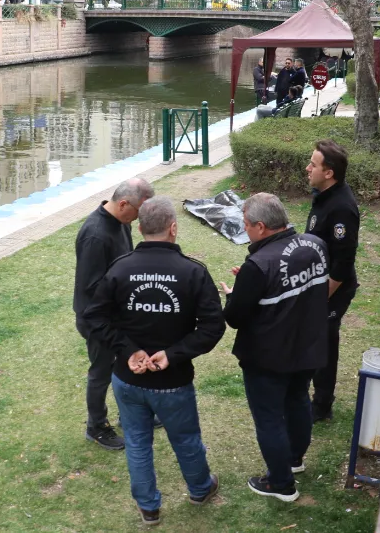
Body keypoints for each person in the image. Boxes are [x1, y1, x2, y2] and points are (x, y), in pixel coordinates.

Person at [83, 197, 225, 526]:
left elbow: (95, 318)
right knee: (185, 438)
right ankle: (200, 488)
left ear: (140, 228)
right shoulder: (193, 272)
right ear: (173, 228)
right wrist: (172, 355)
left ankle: (149, 507)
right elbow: (212, 327)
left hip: (128, 378)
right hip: (171, 381)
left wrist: (128, 350)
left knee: (136, 441)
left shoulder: (119, 269)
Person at [219, 193, 329, 502]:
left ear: (261, 226)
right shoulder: (315, 245)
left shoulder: (258, 263)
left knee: (269, 418)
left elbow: (235, 317)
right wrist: (252, 285)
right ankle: (294, 459)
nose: (245, 230)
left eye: (246, 225)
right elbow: (293, 283)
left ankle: (280, 484)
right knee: (297, 400)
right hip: (308, 346)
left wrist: (234, 293)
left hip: (268, 356)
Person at [74, 178, 155, 450]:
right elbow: (91, 287)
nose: (141, 220)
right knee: (101, 372)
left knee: (124, 364)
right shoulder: (95, 234)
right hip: (97, 319)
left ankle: (129, 414)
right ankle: (95, 426)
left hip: (119, 314)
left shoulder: (123, 222)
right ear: (123, 204)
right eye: (139, 212)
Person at [304, 140, 360, 422]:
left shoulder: (341, 209)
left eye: (313, 165)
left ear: (329, 173)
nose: (308, 168)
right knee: (312, 337)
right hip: (316, 285)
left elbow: (343, 262)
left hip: (333, 289)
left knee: (325, 341)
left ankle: (322, 404)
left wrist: (322, 295)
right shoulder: (323, 196)